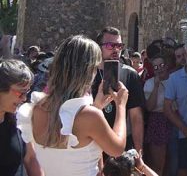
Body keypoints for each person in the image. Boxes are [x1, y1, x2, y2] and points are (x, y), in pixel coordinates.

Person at [16, 35, 129, 176]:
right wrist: (121, 106)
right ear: (88, 71)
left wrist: (96, 107)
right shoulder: (90, 116)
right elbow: (117, 149)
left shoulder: (36, 108)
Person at [91, 28, 144, 152]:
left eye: (119, 46)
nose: (116, 49)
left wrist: (139, 152)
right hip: (92, 143)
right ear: (99, 47)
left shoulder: (130, 74)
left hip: (121, 142)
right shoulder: (88, 74)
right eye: (110, 45)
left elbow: (136, 117)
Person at [164, 38, 187, 176]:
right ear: (185, 54)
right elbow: (167, 108)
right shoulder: (175, 78)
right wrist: (184, 129)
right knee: (182, 170)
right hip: (185, 134)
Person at [0, 59, 42, 176]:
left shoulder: (19, 119)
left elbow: (30, 158)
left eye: (27, 93)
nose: (24, 99)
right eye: (20, 93)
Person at [143, 54, 172, 176]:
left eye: (161, 65)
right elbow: (149, 107)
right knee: (158, 164)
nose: (159, 69)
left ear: (167, 65)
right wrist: (156, 86)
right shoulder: (149, 83)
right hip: (157, 121)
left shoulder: (174, 79)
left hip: (175, 119)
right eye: (155, 67)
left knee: (173, 162)